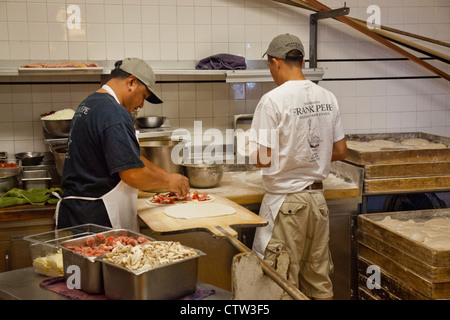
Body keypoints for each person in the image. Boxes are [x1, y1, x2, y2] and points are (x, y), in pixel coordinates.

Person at [249, 34, 347, 300]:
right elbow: (340, 151)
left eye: (270, 66)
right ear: (302, 61)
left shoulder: (272, 100)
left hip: (287, 206)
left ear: (275, 62)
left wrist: (251, 150)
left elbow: (264, 159)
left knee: (279, 283)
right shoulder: (328, 97)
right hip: (317, 203)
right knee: (318, 280)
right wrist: (308, 157)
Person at [56, 57, 189, 231]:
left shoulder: (91, 103)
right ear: (131, 82)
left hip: (78, 214)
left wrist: (167, 176)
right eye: (144, 96)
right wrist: (167, 181)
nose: (141, 105)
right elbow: (132, 173)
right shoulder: (114, 113)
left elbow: (130, 158)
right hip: (97, 218)